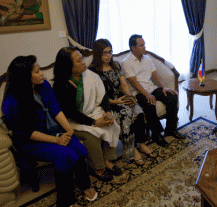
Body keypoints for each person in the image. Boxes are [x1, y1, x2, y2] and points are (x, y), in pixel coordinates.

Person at [2, 55, 97, 207]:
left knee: (79, 148)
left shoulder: (43, 85)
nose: (42, 74)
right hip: (31, 141)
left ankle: (84, 185)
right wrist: (57, 140)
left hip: (53, 129)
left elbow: (55, 109)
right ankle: (66, 201)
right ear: (25, 77)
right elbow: (28, 132)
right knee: (66, 154)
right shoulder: (11, 103)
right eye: (37, 71)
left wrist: (69, 130)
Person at [53, 47, 122, 182]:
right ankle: (98, 167)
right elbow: (71, 113)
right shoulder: (60, 86)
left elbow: (103, 96)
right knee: (92, 135)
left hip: (93, 111)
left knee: (110, 124)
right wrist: (95, 122)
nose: (84, 62)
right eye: (79, 61)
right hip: (73, 120)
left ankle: (107, 160)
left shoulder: (90, 75)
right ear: (69, 67)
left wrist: (107, 112)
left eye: (82, 58)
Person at [89, 39, 157, 166]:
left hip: (121, 98)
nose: (109, 55)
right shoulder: (93, 71)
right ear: (98, 54)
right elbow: (96, 96)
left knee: (139, 112)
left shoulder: (116, 65)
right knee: (126, 115)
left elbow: (123, 83)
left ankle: (141, 144)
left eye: (110, 52)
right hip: (106, 103)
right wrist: (115, 101)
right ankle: (132, 150)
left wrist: (129, 96)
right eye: (105, 53)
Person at [121, 34, 185, 148]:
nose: (144, 47)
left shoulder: (147, 58)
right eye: (141, 45)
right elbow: (134, 82)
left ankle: (171, 129)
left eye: (144, 44)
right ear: (133, 48)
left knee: (172, 96)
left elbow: (156, 75)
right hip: (138, 93)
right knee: (150, 103)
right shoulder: (126, 62)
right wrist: (147, 95)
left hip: (151, 88)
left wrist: (164, 87)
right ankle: (156, 134)